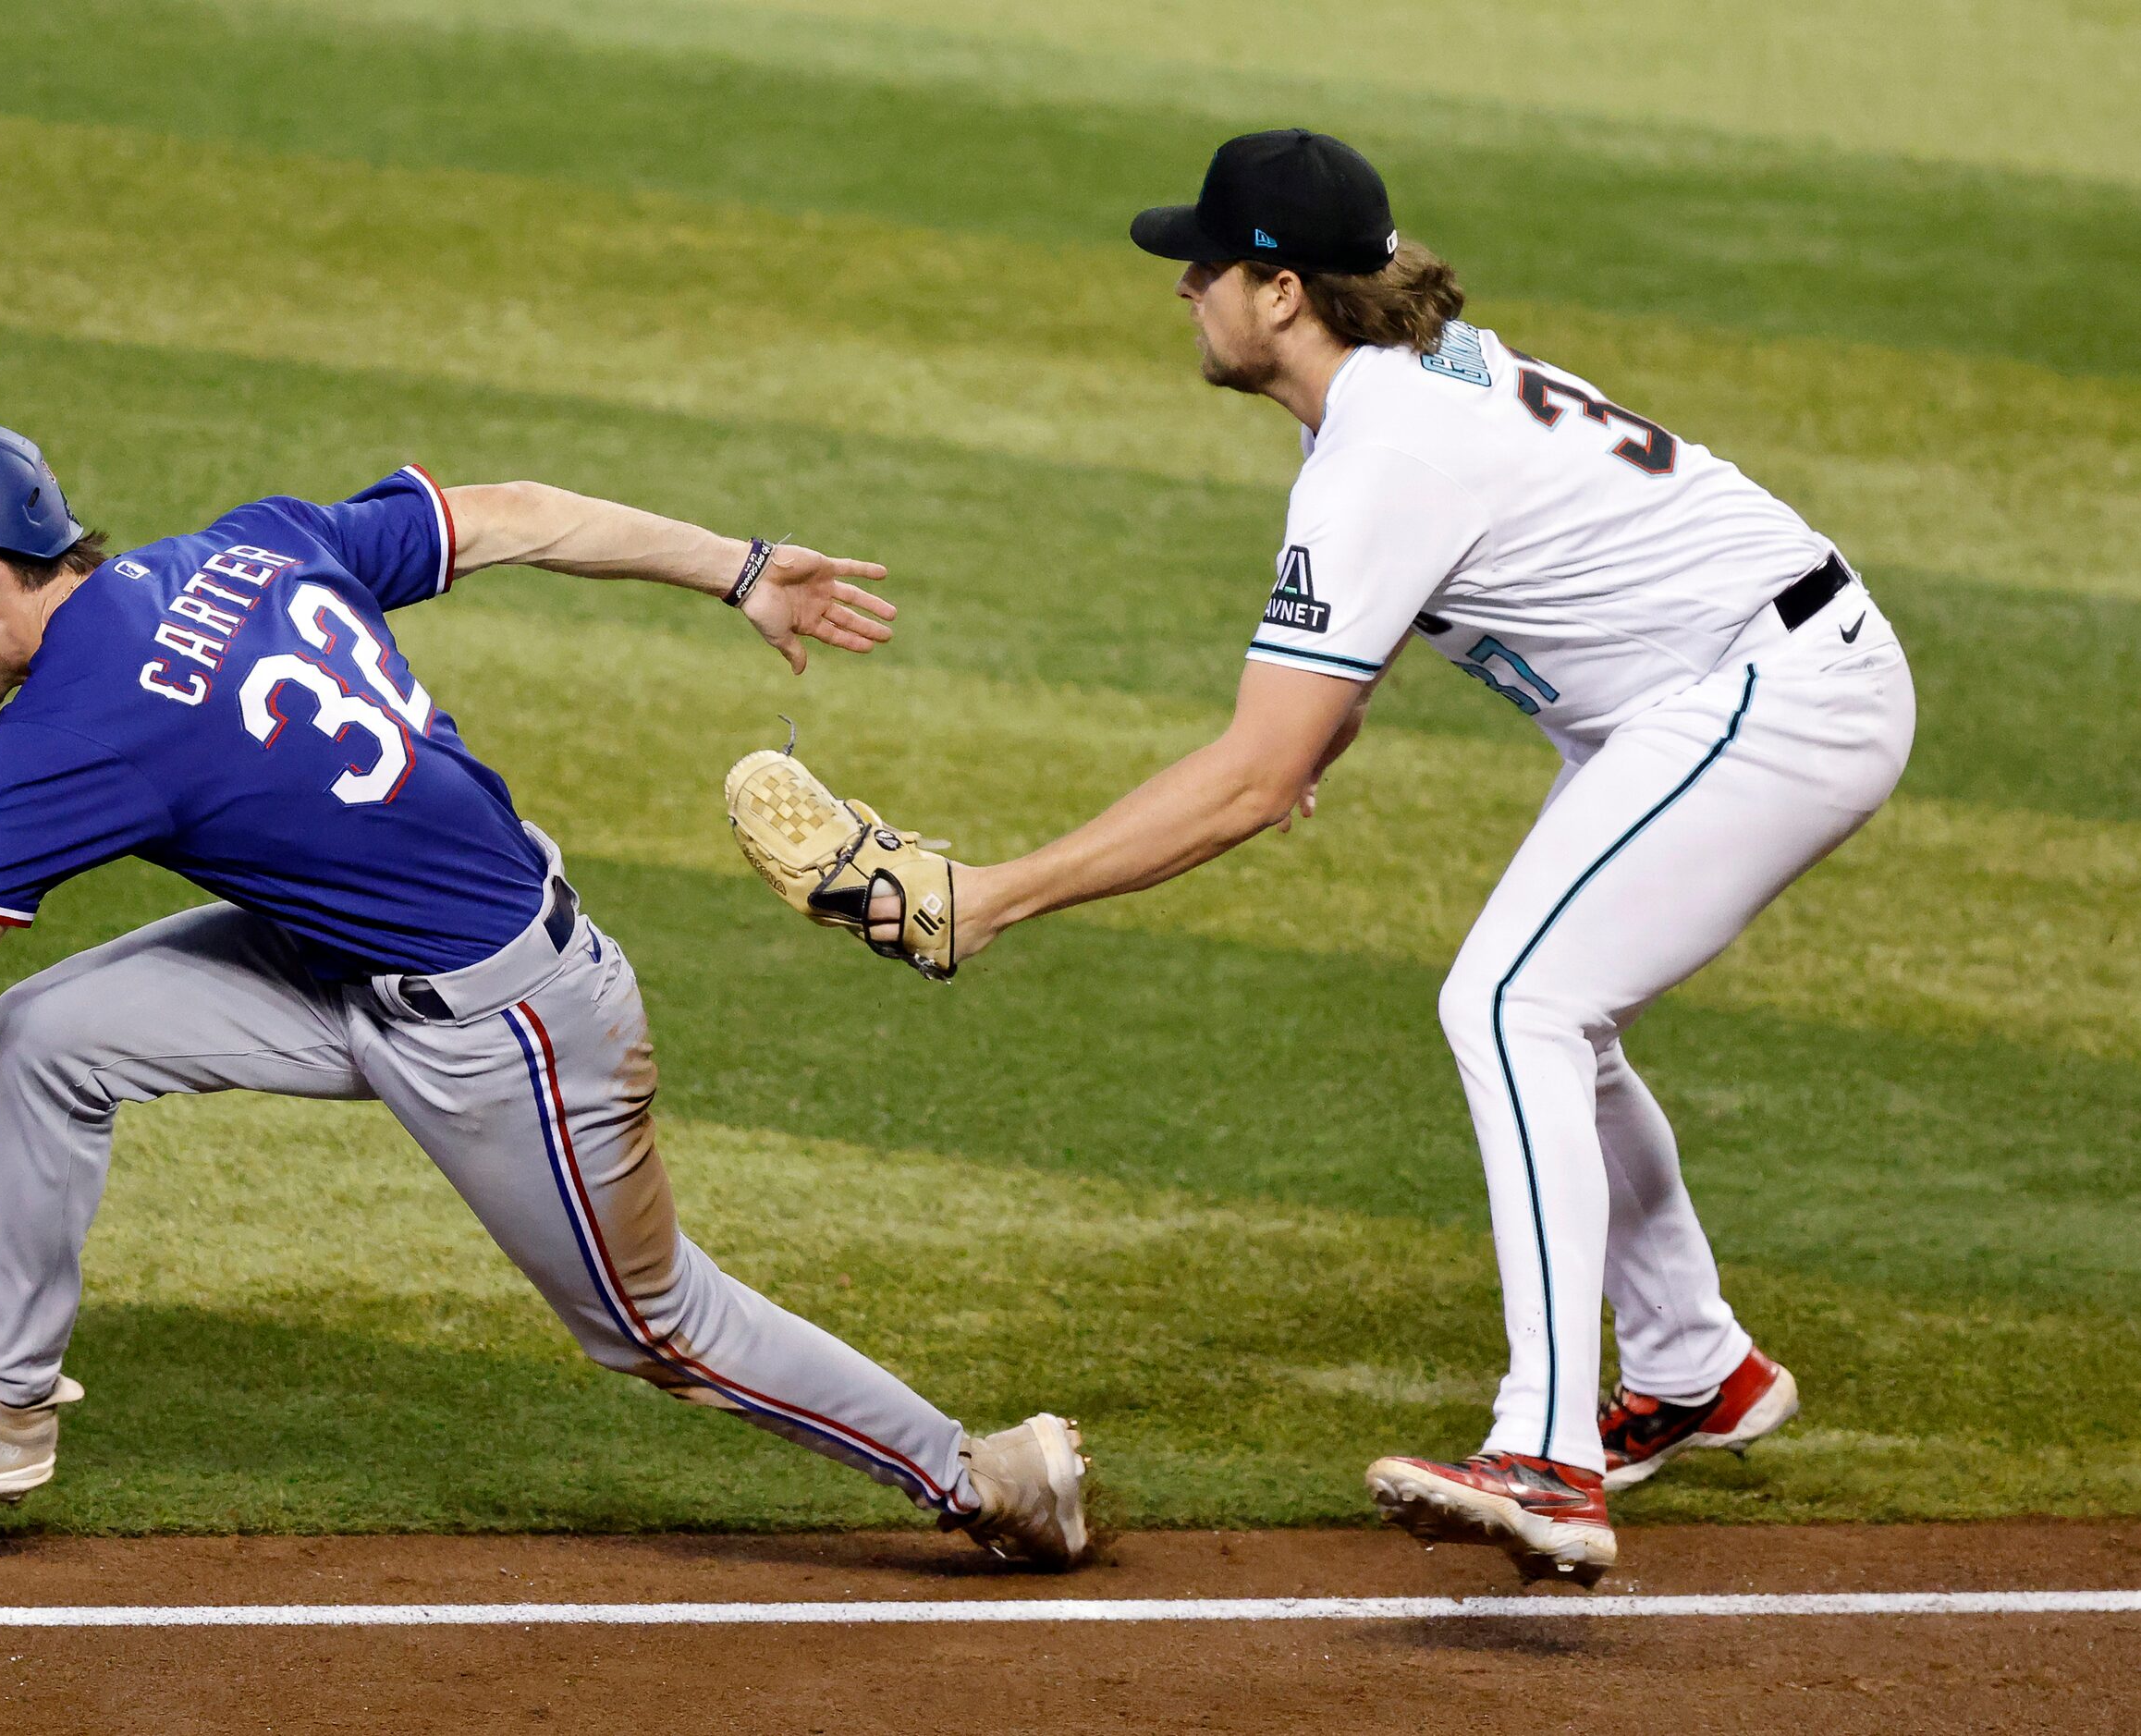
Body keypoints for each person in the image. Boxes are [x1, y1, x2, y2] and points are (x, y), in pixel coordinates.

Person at [0, 422, 1092, 1567]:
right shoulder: (245, 542)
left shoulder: (71, 725)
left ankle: (982, 1473)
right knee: (55, 1034)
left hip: (506, 1019)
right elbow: (518, 509)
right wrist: (733, 567)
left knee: (656, 1328)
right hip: (354, 965)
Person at [765, 131, 1910, 1585]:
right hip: (1722, 686)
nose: (1182, 285)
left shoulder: (1382, 449)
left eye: (1206, 263)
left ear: (1283, 289)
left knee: (1513, 1004)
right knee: (1555, 1007)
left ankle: (1547, 1458)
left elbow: (1255, 772)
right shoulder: (1396, 391)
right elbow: (1313, 712)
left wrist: (983, 898)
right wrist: (1291, 755)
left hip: (1774, 700)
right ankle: (1693, 1363)